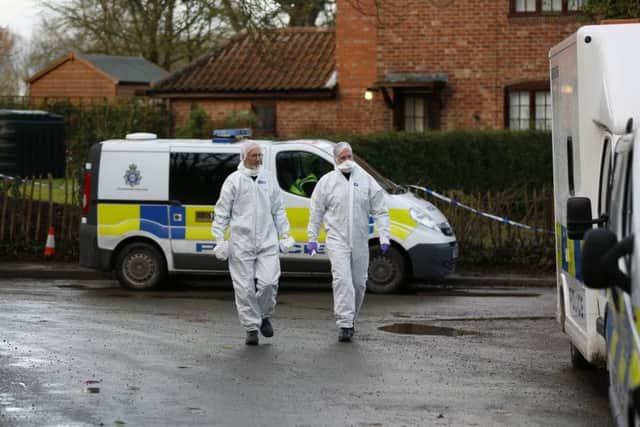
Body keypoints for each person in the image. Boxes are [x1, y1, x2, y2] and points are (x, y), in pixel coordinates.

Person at [212, 141, 295, 346]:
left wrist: (285, 234)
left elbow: (278, 209)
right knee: (244, 288)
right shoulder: (234, 181)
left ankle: (264, 315)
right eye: (254, 156)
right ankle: (251, 328)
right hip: (241, 242)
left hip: (267, 240)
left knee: (268, 282)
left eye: (260, 155)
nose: (258, 159)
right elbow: (222, 212)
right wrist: (219, 239)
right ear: (244, 157)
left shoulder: (268, 178)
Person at [307, 142, 390, 342]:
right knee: (342, 281)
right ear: (335, 159)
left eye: (349, 156)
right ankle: (344, 324)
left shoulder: (366, 180)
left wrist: (384, 235)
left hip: (360, 240)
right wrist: (312, 237)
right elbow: (316, 211)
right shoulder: (327, 182)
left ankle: (351, 318)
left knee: (359, 284)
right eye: (342, 158)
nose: (347, 161)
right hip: (337, 240)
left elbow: (380, 209)